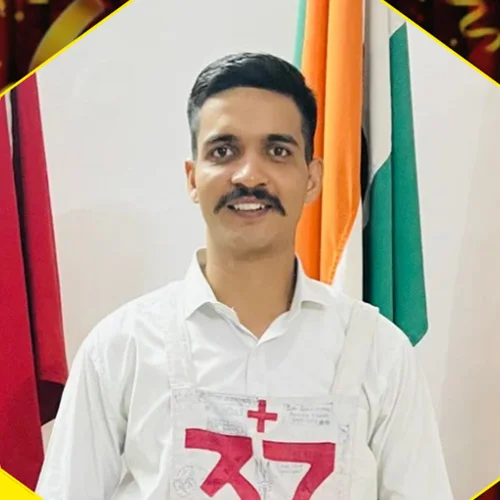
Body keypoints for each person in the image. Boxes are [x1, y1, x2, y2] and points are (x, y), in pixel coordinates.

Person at [36, 52, 453, 499]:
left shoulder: (379, 352)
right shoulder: (122, 347)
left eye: (278, 151)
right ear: (192, 178)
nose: (250, 175)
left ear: (312, 179)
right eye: (223, 151)